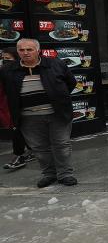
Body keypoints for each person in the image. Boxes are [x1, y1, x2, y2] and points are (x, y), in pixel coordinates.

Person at [2, 38, 77, 187]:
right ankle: (49, 174)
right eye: (21, 50)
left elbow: (71, 83)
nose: (25, 53)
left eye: (29, 49)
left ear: (37, 50)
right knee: (40, 149)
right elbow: (6, 91)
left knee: (61, 145)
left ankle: (65, 174)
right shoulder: (8, 70)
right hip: (28, 118)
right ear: (17, 52)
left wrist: (57, 99)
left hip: (57, 114)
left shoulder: (55, 64)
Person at [2, 47, 34, 170]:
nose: (5, 61)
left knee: (18, 129)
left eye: (8, 59)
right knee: (19, 129)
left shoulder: (21, 71)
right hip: (8, 104)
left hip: (21, 105)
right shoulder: (4, 71)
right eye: (3, 59)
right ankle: (30, 151)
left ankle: (19, 155)